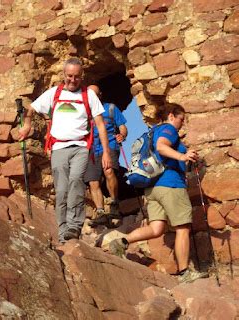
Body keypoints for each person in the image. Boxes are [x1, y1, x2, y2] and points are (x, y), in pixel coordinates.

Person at [109, 103, 208, 283]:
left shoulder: (152, 131)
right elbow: (162, 147)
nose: (182, 124)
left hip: (152, 187)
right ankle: (185, 272)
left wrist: (185, 159)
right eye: (181, 120)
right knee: (183, 227)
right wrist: (183, 156)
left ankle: (121, 243)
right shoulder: (169, 129)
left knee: (157, 228)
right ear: (171, 116)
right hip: (170, 185)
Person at [18, 58, 112, 244]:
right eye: (69, 76)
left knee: (76, 181)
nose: (72, 80)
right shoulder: (54, 93)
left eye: (77, 76)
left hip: (80, 146)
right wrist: (27, 125)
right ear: (64, 75)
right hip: (59, 147)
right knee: (61, 191)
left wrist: (107, 152)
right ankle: (62, 232)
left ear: (82, 76)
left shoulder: (89, 95)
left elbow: (100, 125)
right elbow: (31, 108)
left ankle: (74, 226)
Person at [84, 84, 127, 226]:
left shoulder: (111, 108)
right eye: (90, 94)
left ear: (100, 95)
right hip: (92, 149)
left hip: (109, 145)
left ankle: (114, 204)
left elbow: (122, 127)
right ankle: (101, 211)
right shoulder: (84, 112)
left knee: (109, 172)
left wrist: (122, 135)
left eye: (95, 94)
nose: (92, 97)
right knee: (93, 181)